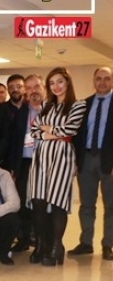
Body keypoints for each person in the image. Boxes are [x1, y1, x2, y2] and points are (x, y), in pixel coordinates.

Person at [27, 67, 86, 266]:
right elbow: (34, 130)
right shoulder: (45, 105)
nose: (56, 86)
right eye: (52, 83)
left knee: (57, 202)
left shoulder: (78, 105)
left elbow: (70, 129)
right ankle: (41, 244)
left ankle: (56, 247)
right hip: (41, 155)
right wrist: (52, 133)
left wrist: (47, 129)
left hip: (62, 156)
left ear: (67, 83)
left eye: (60, 81)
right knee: (38, 201)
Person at [71, 66, 113, 261]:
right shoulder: (84, 104)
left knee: (110, 205)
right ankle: (86, 243)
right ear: (93, 81)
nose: (102, 82)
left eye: (107, 78)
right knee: (87, 204)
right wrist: (76, 160)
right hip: (86, 159)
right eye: (99, 78)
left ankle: (107, 245)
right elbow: (77, 135)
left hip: (109, 160)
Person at [7, 74, 45, 252]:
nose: (32, 91)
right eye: (28, 88)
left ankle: (42, 241)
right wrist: (12, 168)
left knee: (41, 204)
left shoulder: (51, 110)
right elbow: (14, 141)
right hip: (23, 163)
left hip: (45, 164)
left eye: (36, 87)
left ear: (44, 87)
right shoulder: (21, 112)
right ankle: (23, 238)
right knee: (22, 203)